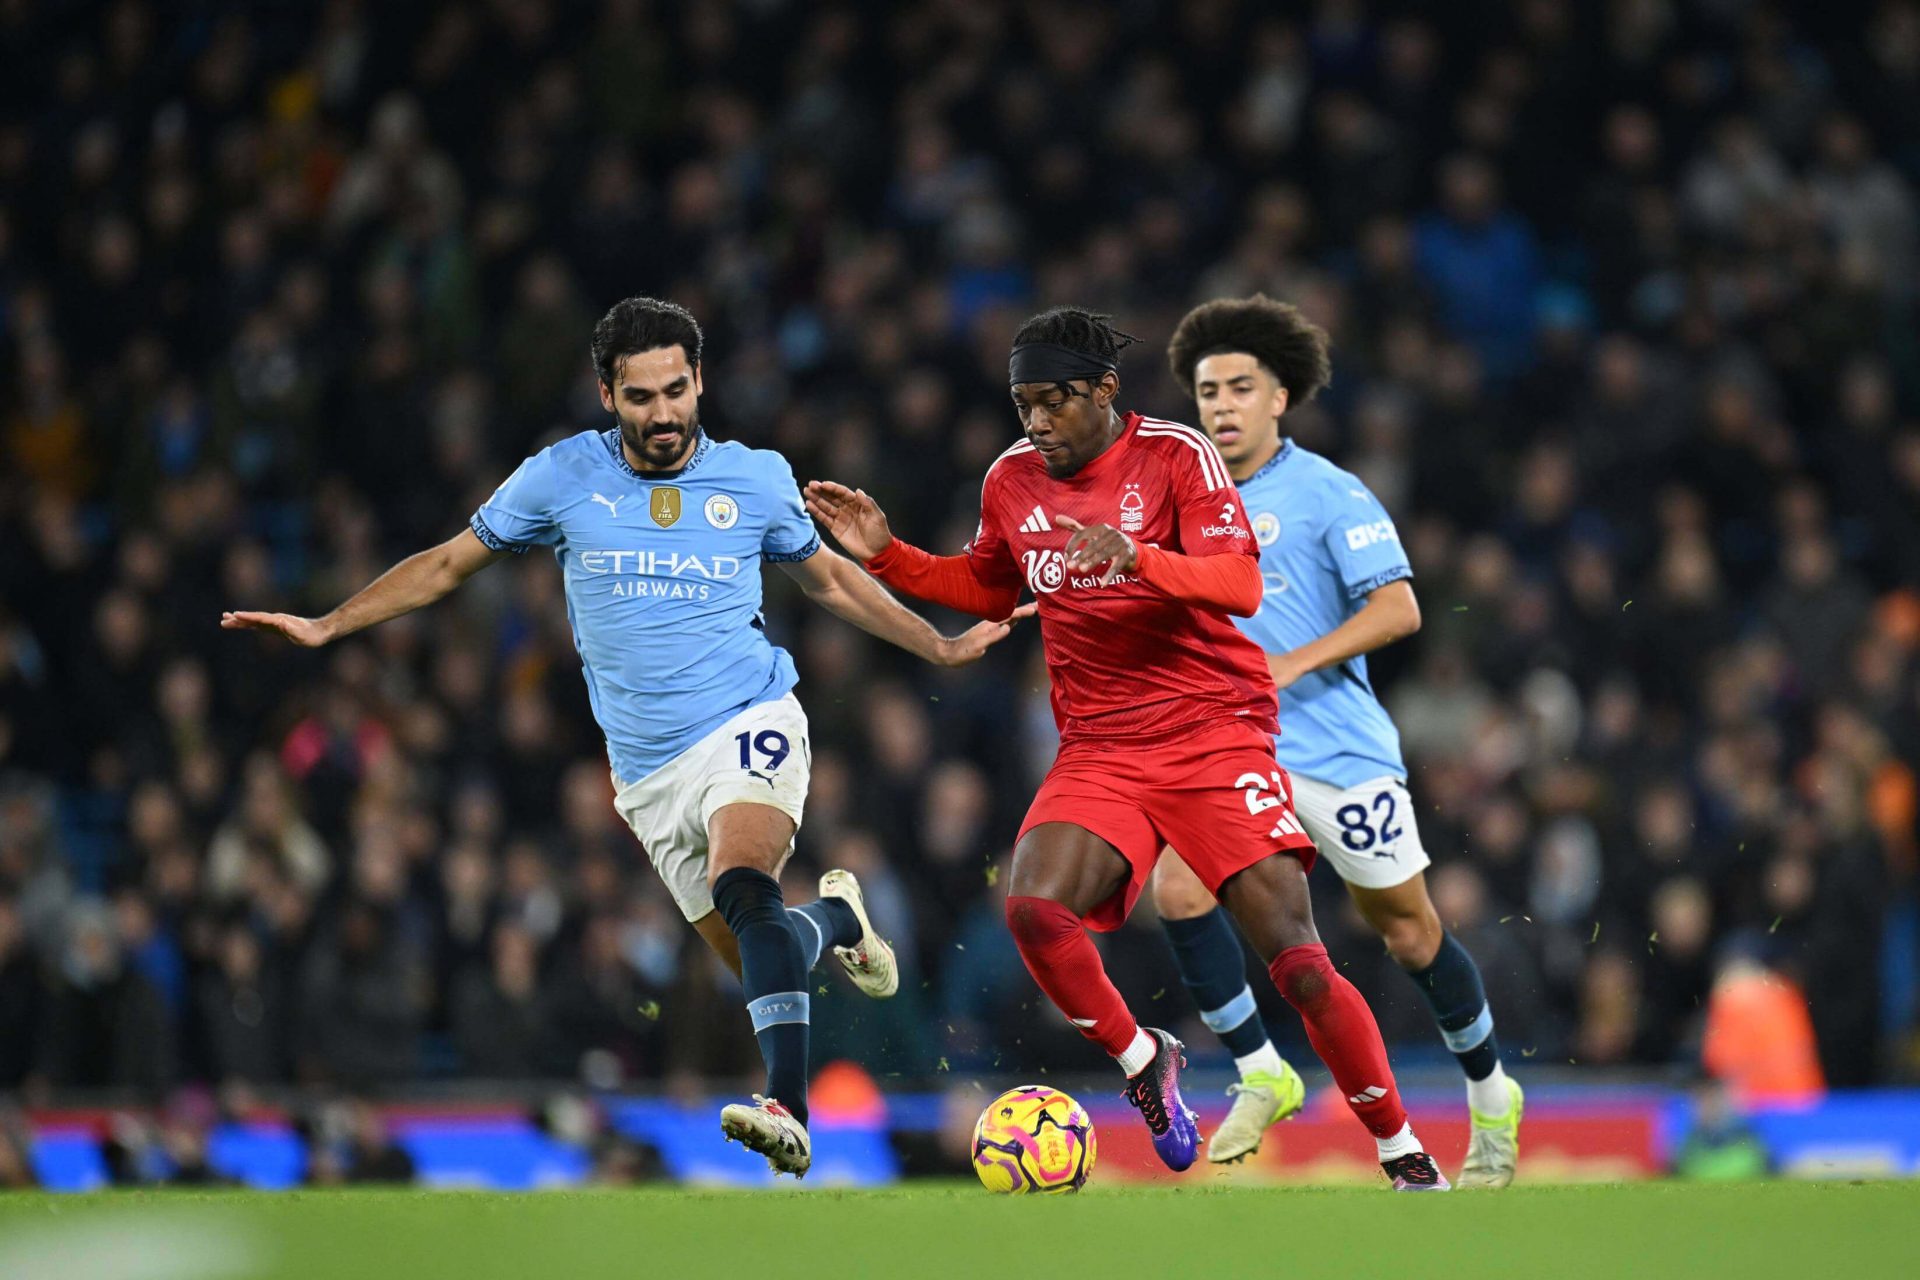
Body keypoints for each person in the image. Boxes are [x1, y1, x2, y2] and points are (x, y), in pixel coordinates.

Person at [224, 296, 1028, 1176]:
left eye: (676, 390)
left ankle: (788, 1108)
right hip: (646, 776)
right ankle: (835, 915)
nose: (664, 414)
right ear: (607, 395)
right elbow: (451, 564)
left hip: (750, 720)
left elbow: (830, 582)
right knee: (760, 949)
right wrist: (328, 625)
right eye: (640, 396)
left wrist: (939, 645)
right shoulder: (560, 479)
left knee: (744, 879)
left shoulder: (754, 477)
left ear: (699, 383)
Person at [806, 306, 1445, 1189]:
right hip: (1101, 743)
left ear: (1105, 391)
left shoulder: (1178, 456)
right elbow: (988, 585)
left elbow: (1241, 583)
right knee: (1031, 909)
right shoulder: (1011, 480)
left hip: (1213, 730)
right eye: (1022, 404)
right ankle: (1144, 1059)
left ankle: (1399, 1146)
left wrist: (1139, 557)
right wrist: (890, 556)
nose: (1036, 422)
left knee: (1297, 962)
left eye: (1053, 402)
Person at [1153, 294, 1522, 1185]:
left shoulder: (1327, 492)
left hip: (1338, 749)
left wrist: (1288, 664)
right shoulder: (1174, 502)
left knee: (1409, 933)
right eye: (1208, 391)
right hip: (1239, 751)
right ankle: (1260, 1070)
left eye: (1242, 387)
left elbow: (1400, 608)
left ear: (1280, 398)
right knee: (1177, 888)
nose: (1223, 406)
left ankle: (1491, 1092)